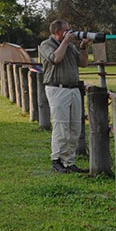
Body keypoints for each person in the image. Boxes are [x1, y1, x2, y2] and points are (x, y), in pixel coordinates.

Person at [39, 19, 89, 174]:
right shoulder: (46, 45)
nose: (70, 32)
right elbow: (55, 59)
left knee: (75, 127)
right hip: (57, 89)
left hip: (73, 89)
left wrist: (83, 47)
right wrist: (65, 42)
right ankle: (57, 161)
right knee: (61, 126)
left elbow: (83, 63)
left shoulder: (70, 46)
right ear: (57, 32)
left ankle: (69, 162)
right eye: (66, 30)